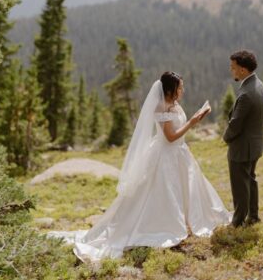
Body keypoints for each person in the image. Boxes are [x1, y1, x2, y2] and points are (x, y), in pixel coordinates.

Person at [48, 72, 231, 261]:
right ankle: (164, 224)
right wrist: (192, 122)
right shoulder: (161, 106)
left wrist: (195, 118)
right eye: (179, 87)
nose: (182, 90)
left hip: (180, 153)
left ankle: (188, 220)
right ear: (170, 89)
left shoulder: (174, 104)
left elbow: (178, 132)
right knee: (165, 190)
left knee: (187, 186)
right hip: (165, 156)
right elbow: (170, 137)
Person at [222, 50, 263, 227]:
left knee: (240, 185)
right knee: (250, 179)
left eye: (233, 67)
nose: (231, 70)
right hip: (255, 145)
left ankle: (238, 221)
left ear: (242, 69)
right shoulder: (259, 85)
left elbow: (236, 124)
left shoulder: (246, 93)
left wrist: (226, 137)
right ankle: (253, 216)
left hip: (242, 147)